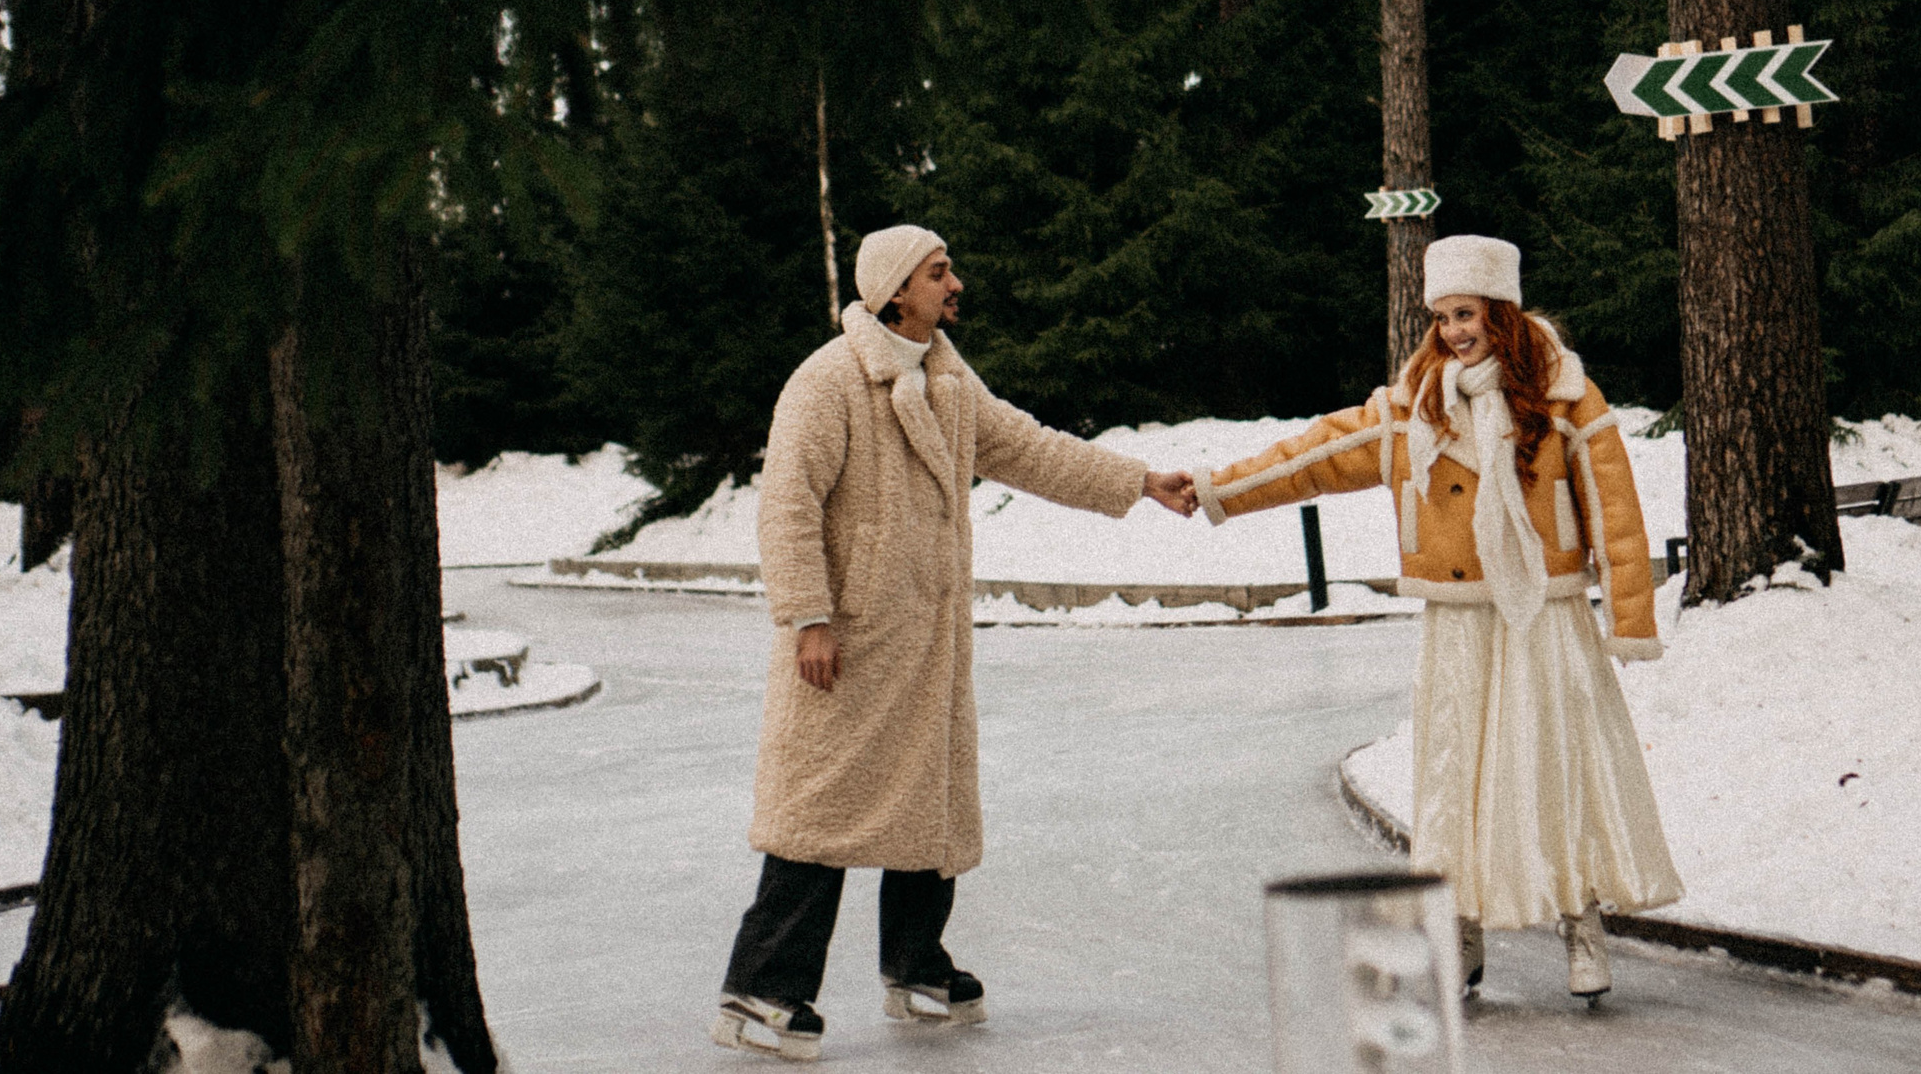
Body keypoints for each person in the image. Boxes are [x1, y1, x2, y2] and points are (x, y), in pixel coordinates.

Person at [713, 224, 1198, 1061]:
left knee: (929, 797)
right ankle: (763, 985)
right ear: (896, 288)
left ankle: (915, 964)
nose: (955, 283)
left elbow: (1028, 447)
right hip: (850, 638)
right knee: (819, 808)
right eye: (940, 273)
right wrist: (808, 617)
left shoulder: (944, 373)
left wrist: (1137, 481)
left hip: (924, 634)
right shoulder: (827, 382)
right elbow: (786, 503)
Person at [1189, 235, 1682, 1003]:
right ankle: (1462, 927)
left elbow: (1616, 509)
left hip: (1543, 614)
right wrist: (1219, 487)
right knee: (1457, 777)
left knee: (1556, 767)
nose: (1454, 330)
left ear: (1501, 311)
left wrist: (1629, 615)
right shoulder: (1415, 405)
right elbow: (1317, 453)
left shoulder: (1564, 397)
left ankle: (1581, 924)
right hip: (1458, 620)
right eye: (1442, 315)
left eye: (1467, 312)